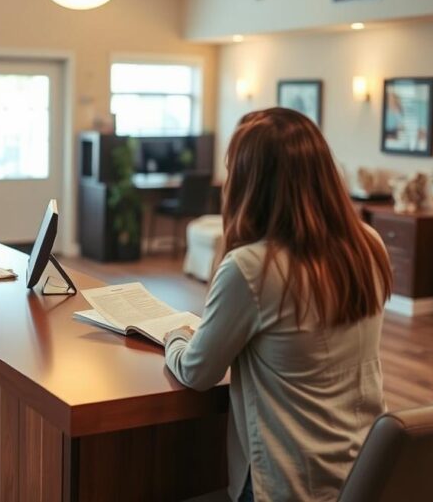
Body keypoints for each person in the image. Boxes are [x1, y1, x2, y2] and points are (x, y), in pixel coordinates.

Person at [163, 108, 392, 502]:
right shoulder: (368, 244)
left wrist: (174, 338)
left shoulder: (251, 268)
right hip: (362, 471)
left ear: (249, 182)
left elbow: (197, 371)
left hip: (286, 482)